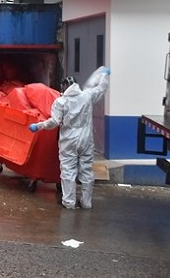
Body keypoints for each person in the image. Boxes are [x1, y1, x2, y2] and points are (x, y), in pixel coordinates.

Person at [28, 67, 110, 210]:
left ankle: (69, 202)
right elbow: (101, 88)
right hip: (86, 139)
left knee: (68, 171)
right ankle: (86, 202)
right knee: (86, 170)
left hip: (69, 140)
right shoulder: (87, 96)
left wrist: (38, 125)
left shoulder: (61, 102)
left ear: (63, 87)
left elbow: (54, 122)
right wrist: (104, 75)